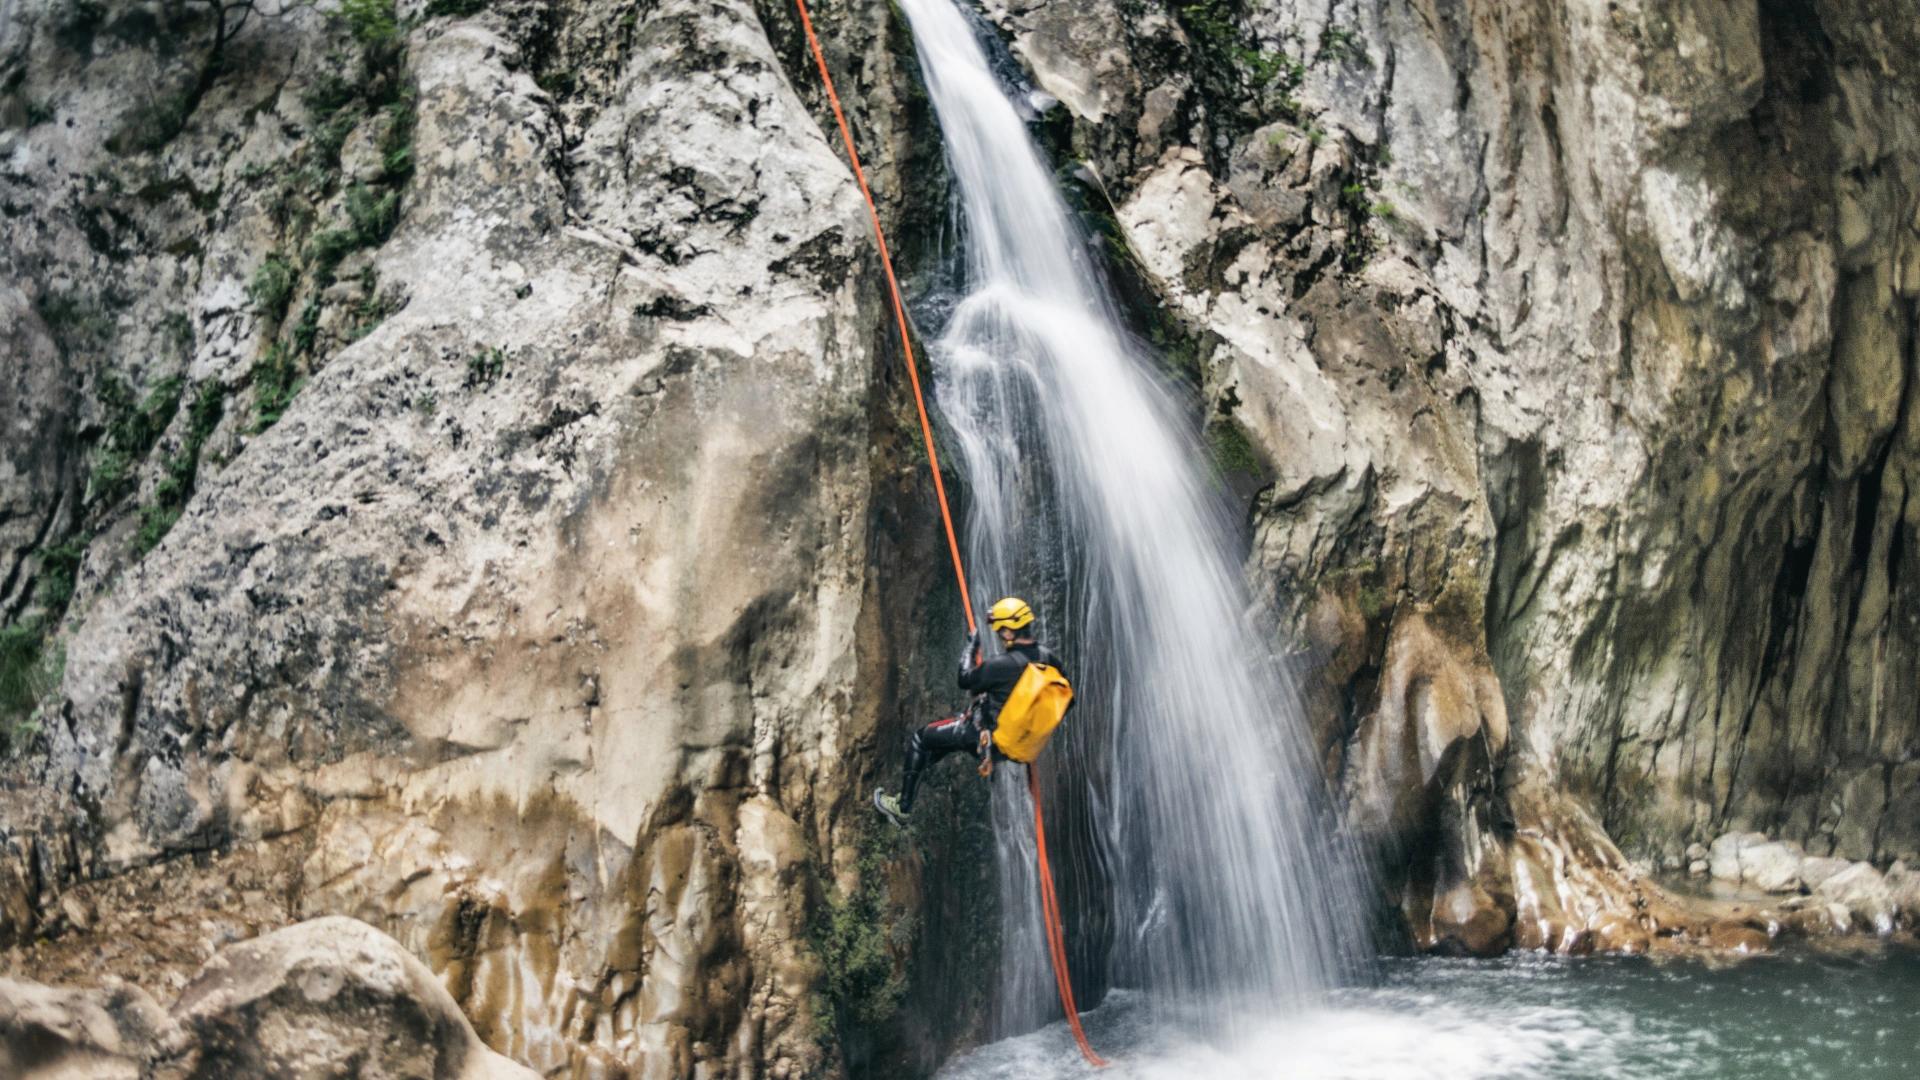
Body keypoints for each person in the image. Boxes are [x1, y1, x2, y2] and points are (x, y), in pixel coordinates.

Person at [873, 596, 1064, 827]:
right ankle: (915, 772)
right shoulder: (1048, 658)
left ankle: (902, 808)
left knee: (921, 739)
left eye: (1000, 630)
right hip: (1020, 745)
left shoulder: (1002, 665)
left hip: (984, 740)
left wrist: (971, 647)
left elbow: (965, 680)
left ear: (1008, 632)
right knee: (943, 741)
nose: (999, 635)